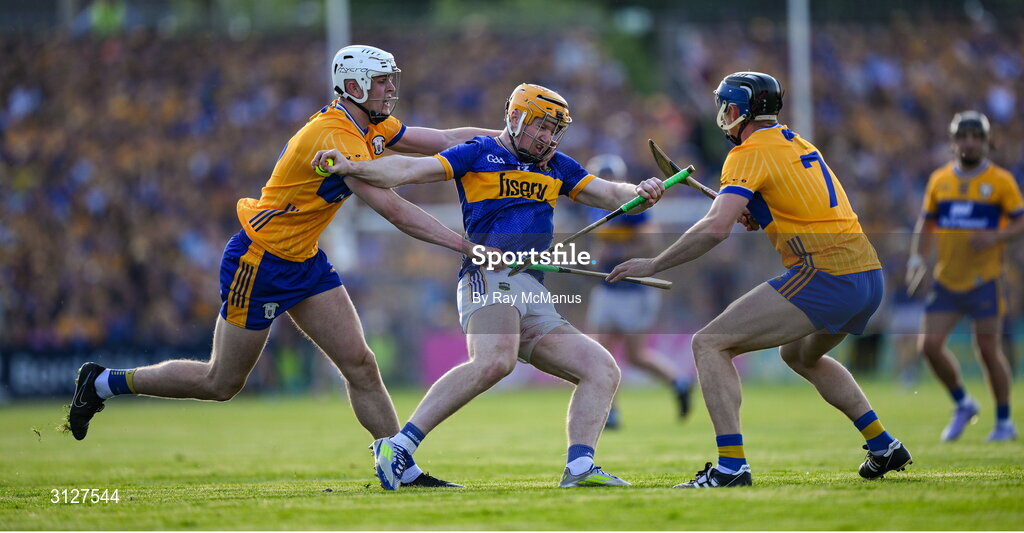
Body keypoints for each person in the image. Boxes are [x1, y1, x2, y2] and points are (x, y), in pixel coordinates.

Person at [67, 45, 502, 488]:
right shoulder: (334, 137)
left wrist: (509, 143)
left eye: (392, 78)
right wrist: (466, 247)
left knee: (360, 363)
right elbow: (393, 209)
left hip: (304, 261)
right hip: (261, 261)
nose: (392, 88)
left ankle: (398, 466)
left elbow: (450, 138)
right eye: (382, 80)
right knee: (221, 382)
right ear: (353, 86)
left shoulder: (370, 124)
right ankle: (103, 383)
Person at [312, 83, 666, 489]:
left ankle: (581, 467)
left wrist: (637, 192)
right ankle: (399, 446)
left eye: (555, 131)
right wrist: (351, 166)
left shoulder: (557, 165)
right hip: (488, 276)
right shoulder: (478, 152)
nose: (549, 138)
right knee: (495, 360)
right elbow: (408, 170)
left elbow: (606, 193)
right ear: (515, 118)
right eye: (542, 128)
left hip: (531, 288)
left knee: (601, 368)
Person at [608, 71, 911, 488]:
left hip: (827, 273)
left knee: (709, 343)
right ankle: (884, 445)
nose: (721, 114)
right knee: (800, 356)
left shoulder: (747, 152)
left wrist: (654, 263)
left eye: (724, 106)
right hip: (867, 275)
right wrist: (763, 212)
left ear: (737, 110)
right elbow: (801, 205)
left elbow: (715, 229)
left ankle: (731, 467)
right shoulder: (796, 142)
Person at [906, 111, 1024, 442]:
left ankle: (1004, 422)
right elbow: (925, 224)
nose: (969, 142)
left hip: (984, 280)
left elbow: (1019, 221)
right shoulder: (940, 180)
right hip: (947, 280)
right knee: (929, 346)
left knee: (987, 349)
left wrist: (996, 237)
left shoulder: (1001, 181)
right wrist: (917, 258)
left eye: (976, 137)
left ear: (987, 143)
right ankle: (963, 403)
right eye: (963, 136)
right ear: (953, 142)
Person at [581, 154, 691, 429]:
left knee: (634, 355)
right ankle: (611, 411)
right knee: (602, 351)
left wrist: (616, 252)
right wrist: (597, 257)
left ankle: (679, 382)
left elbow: (650, 245)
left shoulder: (633, 206)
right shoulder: (593, 208)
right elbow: (599, 249)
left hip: (634, 291)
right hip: (607, 286)